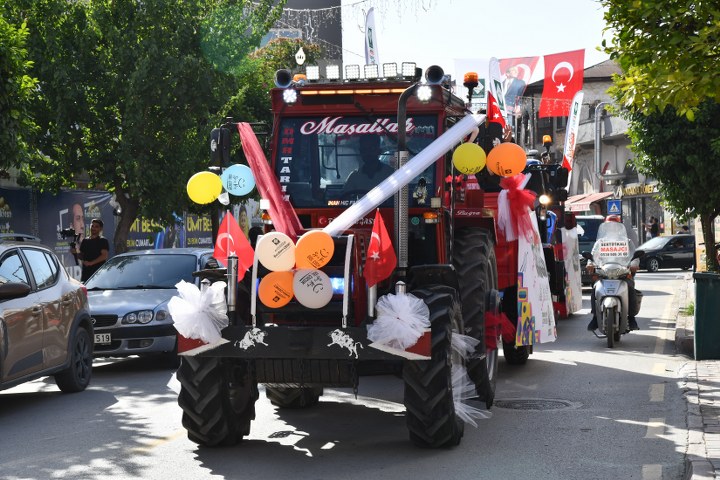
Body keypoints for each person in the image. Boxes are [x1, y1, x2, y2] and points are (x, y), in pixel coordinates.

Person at [587, 215, 640, 332]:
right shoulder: (600, 242)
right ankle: (595, 317)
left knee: (630, 288)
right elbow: (593, 255)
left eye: (614, 226)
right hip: (604, 273)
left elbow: (634, 256)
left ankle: (631, 318)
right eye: (609, 226)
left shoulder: (627, 242)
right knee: (595, 289)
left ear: (619, 227)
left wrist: (634, 264)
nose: (612, 228)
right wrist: (590, 263)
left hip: (622, 274)